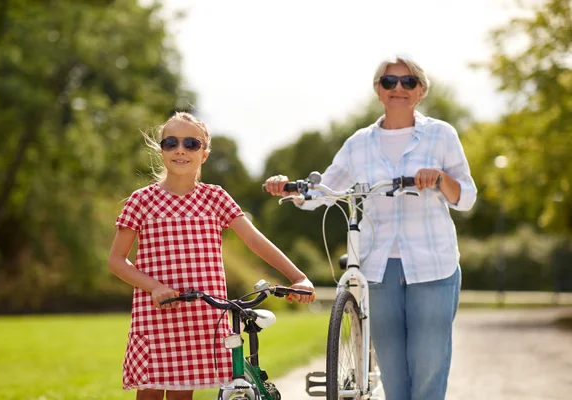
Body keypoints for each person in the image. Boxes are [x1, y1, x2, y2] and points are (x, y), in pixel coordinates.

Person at [264, 55, 477, 400]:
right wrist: (290, 187)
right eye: (389, 82)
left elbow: (466, 197)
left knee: (428, 365)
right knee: (392, 371)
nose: (398, 89)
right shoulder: (358, 143)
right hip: (379, 266)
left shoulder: (441, 135)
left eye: (408, 82)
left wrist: (439, 178)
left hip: (433, 264)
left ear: (420, 90)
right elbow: (324, 190)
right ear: (378, 90)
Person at [109, 111, 315, 400]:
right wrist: (154, 287)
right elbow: (117, 260)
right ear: (162, 150)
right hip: (155, 315)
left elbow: (255, 241)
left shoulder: (215, 198)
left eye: (191, 143)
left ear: (204, 154)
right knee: (150, 394)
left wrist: (298, 276)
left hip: (200, 314)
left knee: (182, 395)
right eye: (171, 142)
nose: (180, 149)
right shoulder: (142, 200)